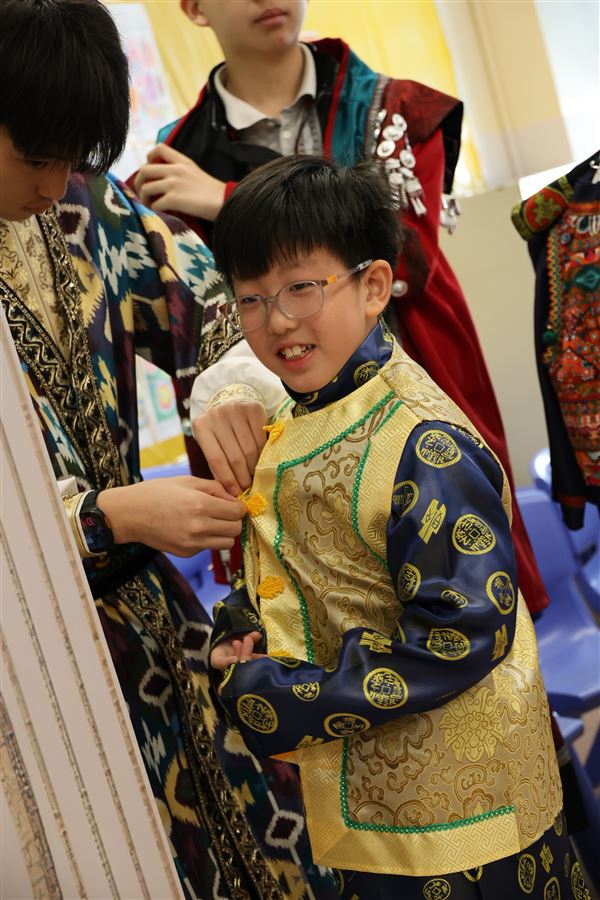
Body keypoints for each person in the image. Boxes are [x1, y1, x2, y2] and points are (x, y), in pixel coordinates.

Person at [0, 3, 339, 898]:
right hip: (29, 667)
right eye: (34, 159)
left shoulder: (82, 203)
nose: (54, 185)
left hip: (155, 625)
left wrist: (227, 387)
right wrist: (105, 516)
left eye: (73, 159)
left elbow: (212, 300)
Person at [207, 155, 587, 899]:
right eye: (251, 299)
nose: (277, 321)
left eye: (302, 288)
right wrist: (244, 626)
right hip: (375, 810)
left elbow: (463, 632)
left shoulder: (419, 440)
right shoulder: (298, 414)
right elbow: (295, 559)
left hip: (461, 823)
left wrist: (298, 701)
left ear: (374, 286)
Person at [133, 0, 549, 617]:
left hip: (410, 397)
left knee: (473, 599)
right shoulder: (175, 156)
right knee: (309, 620)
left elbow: (407, 259)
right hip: (285, 435)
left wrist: (229, 200)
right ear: (193, 7)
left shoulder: (394, 107)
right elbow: (189, 316)